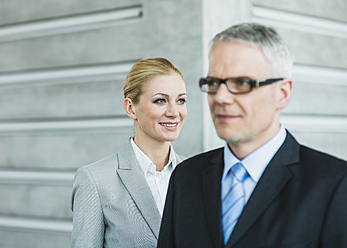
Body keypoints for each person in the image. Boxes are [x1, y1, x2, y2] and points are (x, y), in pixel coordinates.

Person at [158, 23, 347, 248]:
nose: (221, 98)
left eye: (241, 83)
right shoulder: (185, 177)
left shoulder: (335, 184)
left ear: (282, 93)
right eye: (214, 83)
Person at [71, 57, 187, 247]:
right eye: (160, 101)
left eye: (181, 100)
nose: (174, 112)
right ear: (131, 108)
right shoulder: (95, 181)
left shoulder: (197, 174)